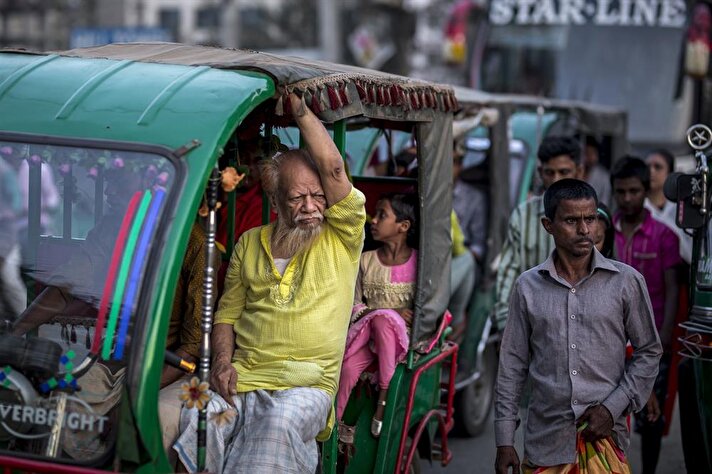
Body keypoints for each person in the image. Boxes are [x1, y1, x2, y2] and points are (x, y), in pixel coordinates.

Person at [173, 93, 366, 474]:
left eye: (317, 196)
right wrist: (223, 364)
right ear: (276, 203)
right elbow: (226, 316)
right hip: (242, 379)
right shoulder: (249, 243)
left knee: (275, 428)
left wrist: (300, 113)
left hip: (306, 386)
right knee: (200, 418)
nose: (311, 206)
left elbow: (334, 170)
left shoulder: (343, 234)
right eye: (298, 198)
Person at [495, 179, 662, 474]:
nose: (585, 230)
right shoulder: (527, 287)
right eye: (572, 220)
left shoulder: (626, 281)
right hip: (546, 443)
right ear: (549, 225)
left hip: (605, 440)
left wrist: (613, 408)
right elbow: (512, 365)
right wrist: (505, 440)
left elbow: (648, 351)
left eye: (590, 218)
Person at [611, 156, 681, 474]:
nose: (627, 199)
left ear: (644, 190)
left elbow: (671, 290)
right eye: (621, 192)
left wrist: (664, 337)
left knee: (651, 418)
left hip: (650, 341)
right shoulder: (603, 231)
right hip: (609, 338)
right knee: (608, 415)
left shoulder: (665, 236)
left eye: (634, 191)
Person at [336, 193, 418, 437]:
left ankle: (383, 395)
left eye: (382, 215)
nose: (373, 220)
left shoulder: (419, 262)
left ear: (403, 227)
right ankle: (334, 426)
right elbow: (354, 306)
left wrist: (390, 317)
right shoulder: (365, 261)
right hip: (367, 335)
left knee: (384, 322)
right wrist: (391, 312)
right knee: (349, 368)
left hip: (401, 342)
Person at [494, 136, 583, 330]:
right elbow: (509, 272)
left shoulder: (593, 218)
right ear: (541, 173)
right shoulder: (523, 215)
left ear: (579, 172)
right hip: (533, 324)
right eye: (550, 172)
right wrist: (505, 325)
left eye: (564, 172)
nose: (556, 179)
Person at [644, 148, 692, 263]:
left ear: (670, 174)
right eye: (648, 167)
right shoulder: (638, 208)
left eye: (658, 167)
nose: (651, 171)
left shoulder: (681, 207)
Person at [583, 136, 611, 206]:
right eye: (587, 153)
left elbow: (605, 202)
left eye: (592, 153)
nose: (589, 157)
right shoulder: (575, 172)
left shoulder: (603, 176)